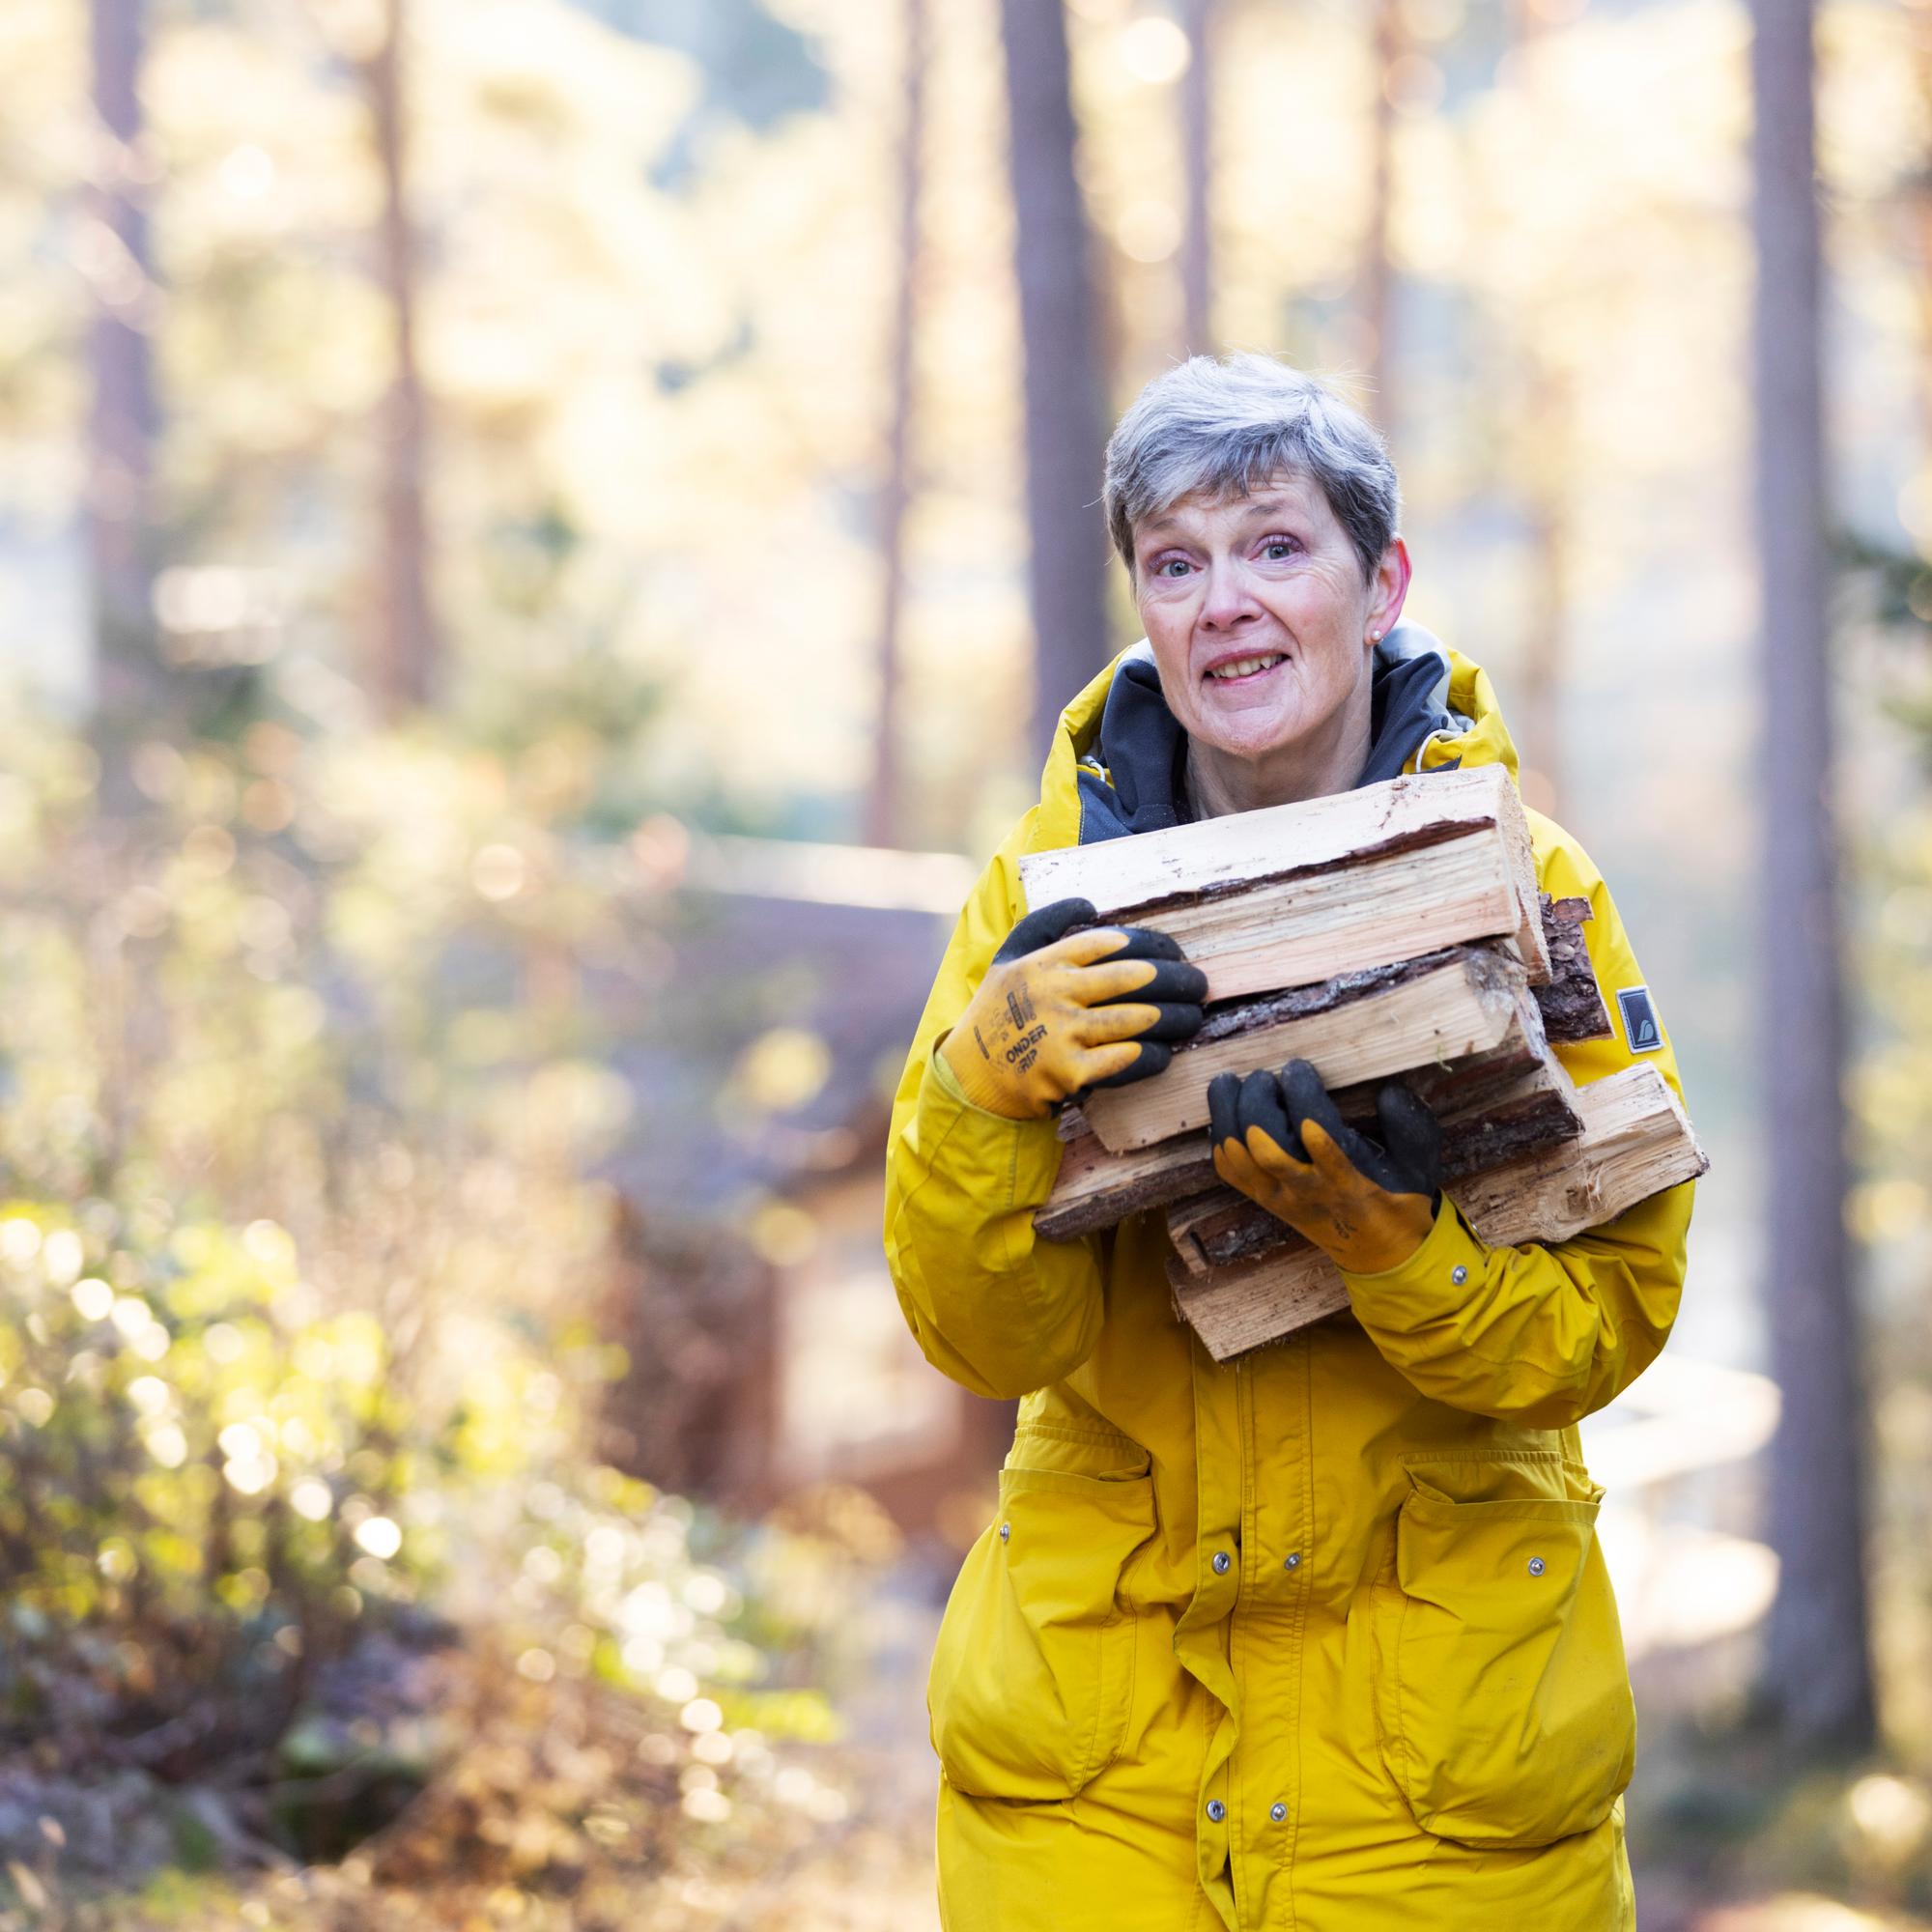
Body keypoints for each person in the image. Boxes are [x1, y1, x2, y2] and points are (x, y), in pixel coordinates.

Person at [882, 353, 1694, 1932]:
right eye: (1175, 565)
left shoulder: (1537, 882)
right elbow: (981, 1337)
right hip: (1097, 1766)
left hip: (1439, 1770)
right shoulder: (1035, 903)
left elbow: (1609, 1323)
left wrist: (1405, 1255)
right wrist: (981, 1097)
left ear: (1381, 582)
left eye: (1274, 546)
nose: (1223, 603)